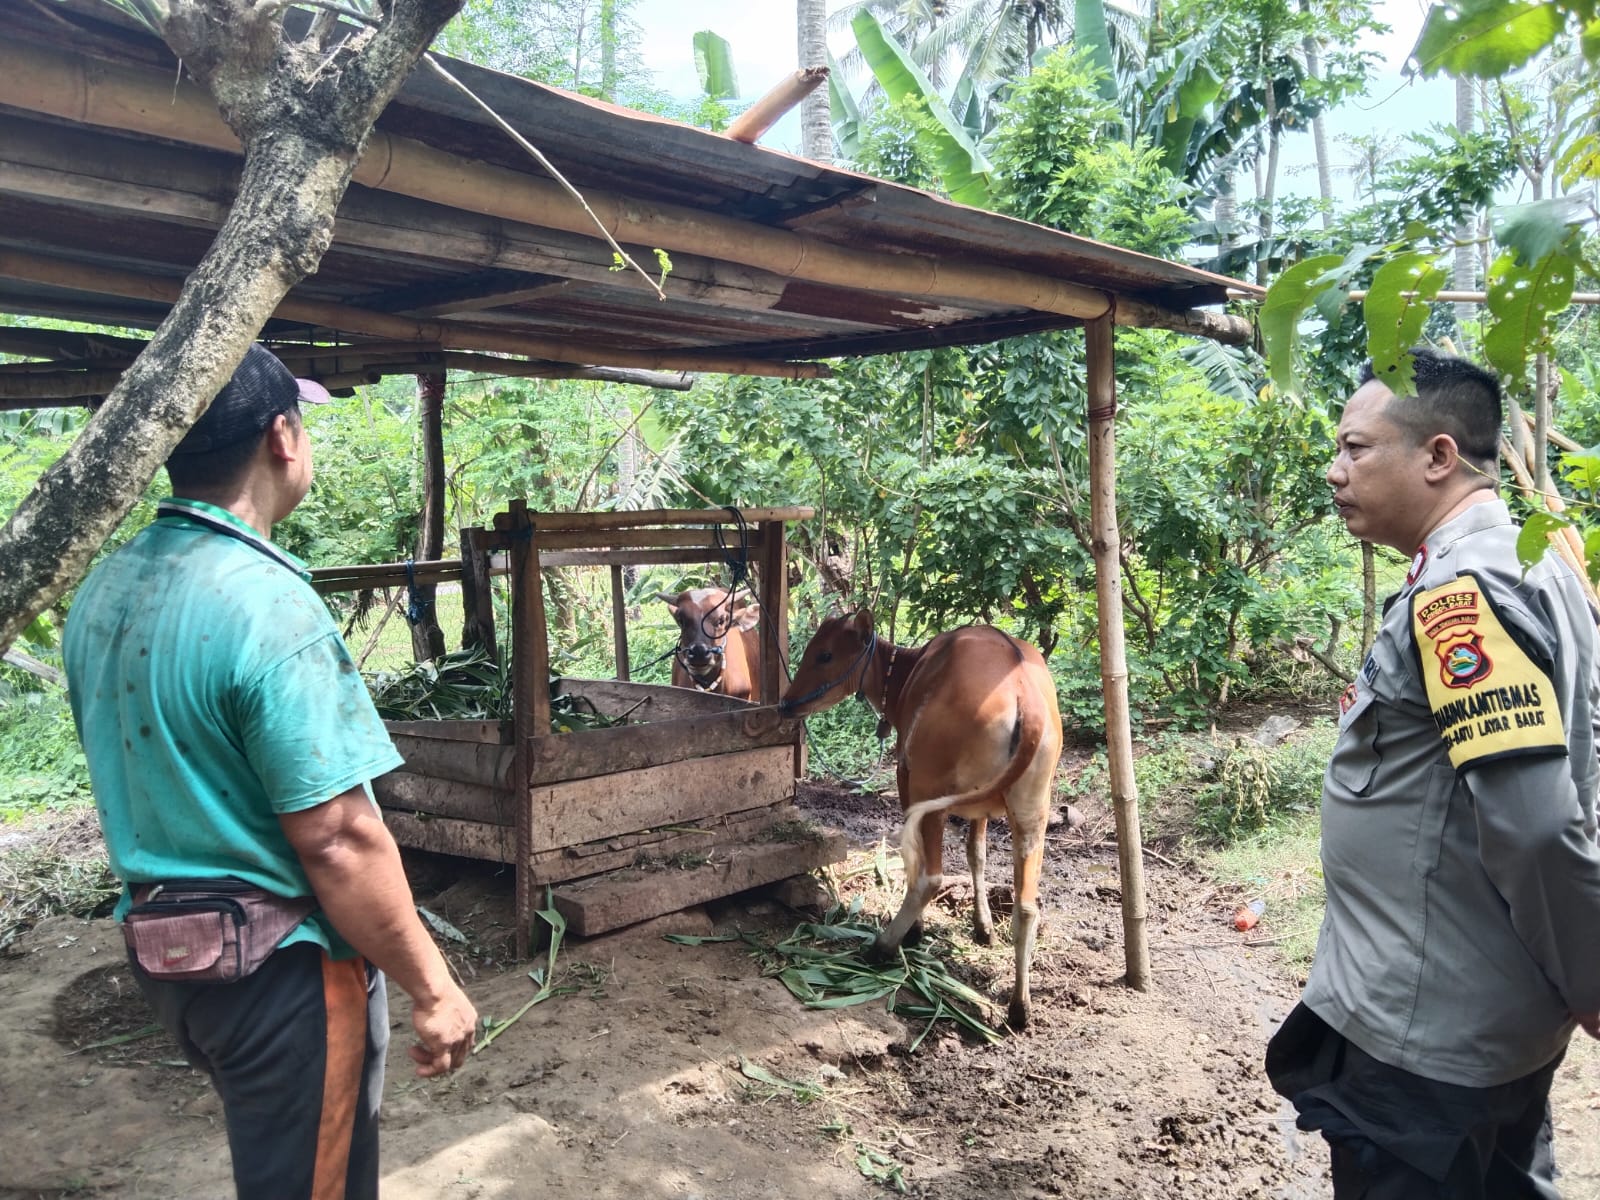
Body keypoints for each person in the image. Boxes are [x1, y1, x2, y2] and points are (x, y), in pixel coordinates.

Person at [62, 343, 478, 1200]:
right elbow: (338, 838)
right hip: (280, 973)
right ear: (284, 439)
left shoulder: (106, 588)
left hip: (171, 958)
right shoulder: (268, 605)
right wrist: (434, 988)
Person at [1266, 347, 1600, 1198]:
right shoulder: (1538, 563)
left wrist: (1595, 982)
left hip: (1429, 1047)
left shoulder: (1466, 592)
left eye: (1355, 448)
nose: (1334, 471)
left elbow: (1533, 824)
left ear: (1439, 456)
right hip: (1487, 1017)